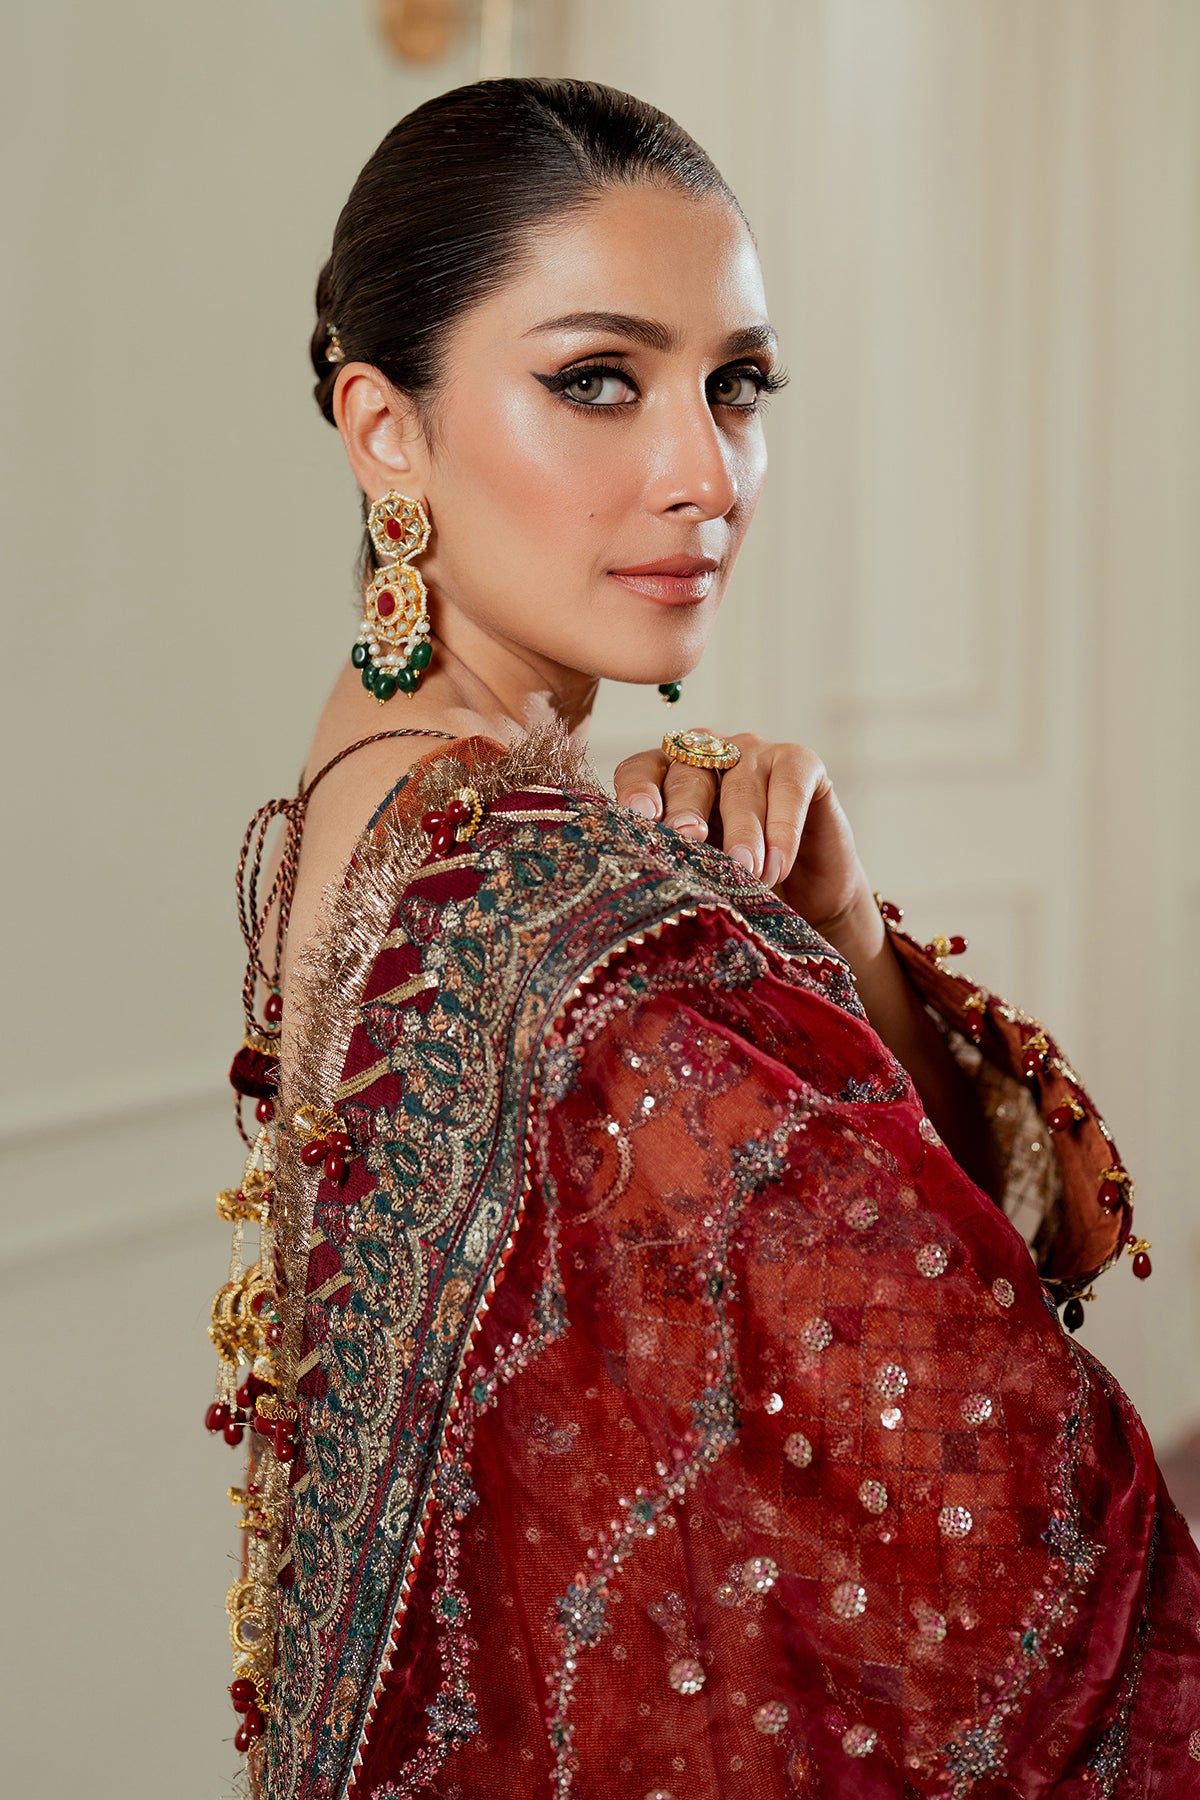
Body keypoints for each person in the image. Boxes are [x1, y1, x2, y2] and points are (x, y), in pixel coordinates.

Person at [205, 78, 1200, 1800]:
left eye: (737, 384)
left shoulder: (363, 807)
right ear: (385, 430)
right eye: (598, 379)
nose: (705, 471)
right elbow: (1026, 1519)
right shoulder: (595, 930)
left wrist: (836, 931)